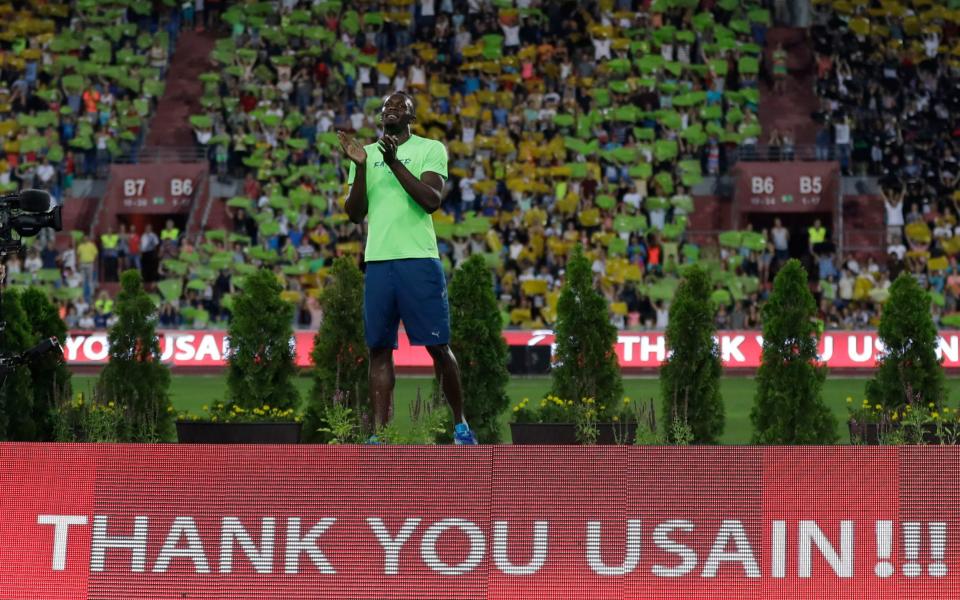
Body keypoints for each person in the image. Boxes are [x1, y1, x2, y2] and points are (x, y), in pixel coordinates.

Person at [338, 91, 477, 444]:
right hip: (379, 260)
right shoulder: (365, 154)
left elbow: (431, 200)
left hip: (418, 258)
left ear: (411, 118)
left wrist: (395, 162)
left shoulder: (431, 149)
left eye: (400, 107)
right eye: (387, 107)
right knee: (379, 349)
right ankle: (379, 437)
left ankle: (460, 425)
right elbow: (354, 213)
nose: (392, 110)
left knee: (438, 347)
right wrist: (360, 167)